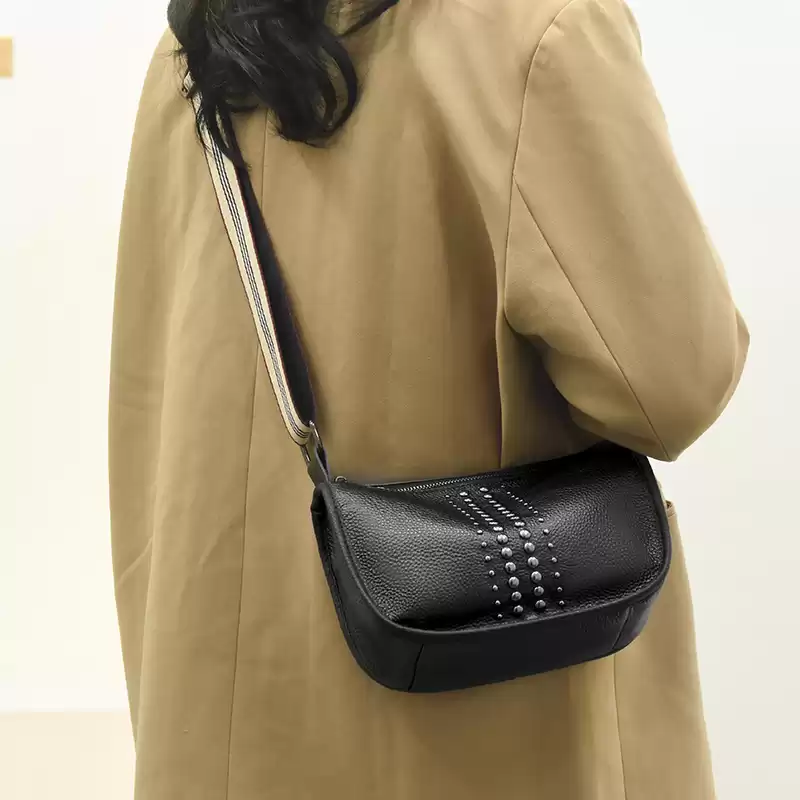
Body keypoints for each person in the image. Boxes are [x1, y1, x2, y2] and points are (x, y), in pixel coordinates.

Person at [109, 0, 749, 797]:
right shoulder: (531, 31)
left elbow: (148, 418)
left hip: (219, 736)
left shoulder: (195, 47)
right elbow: (676, 385)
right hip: (482, 739)